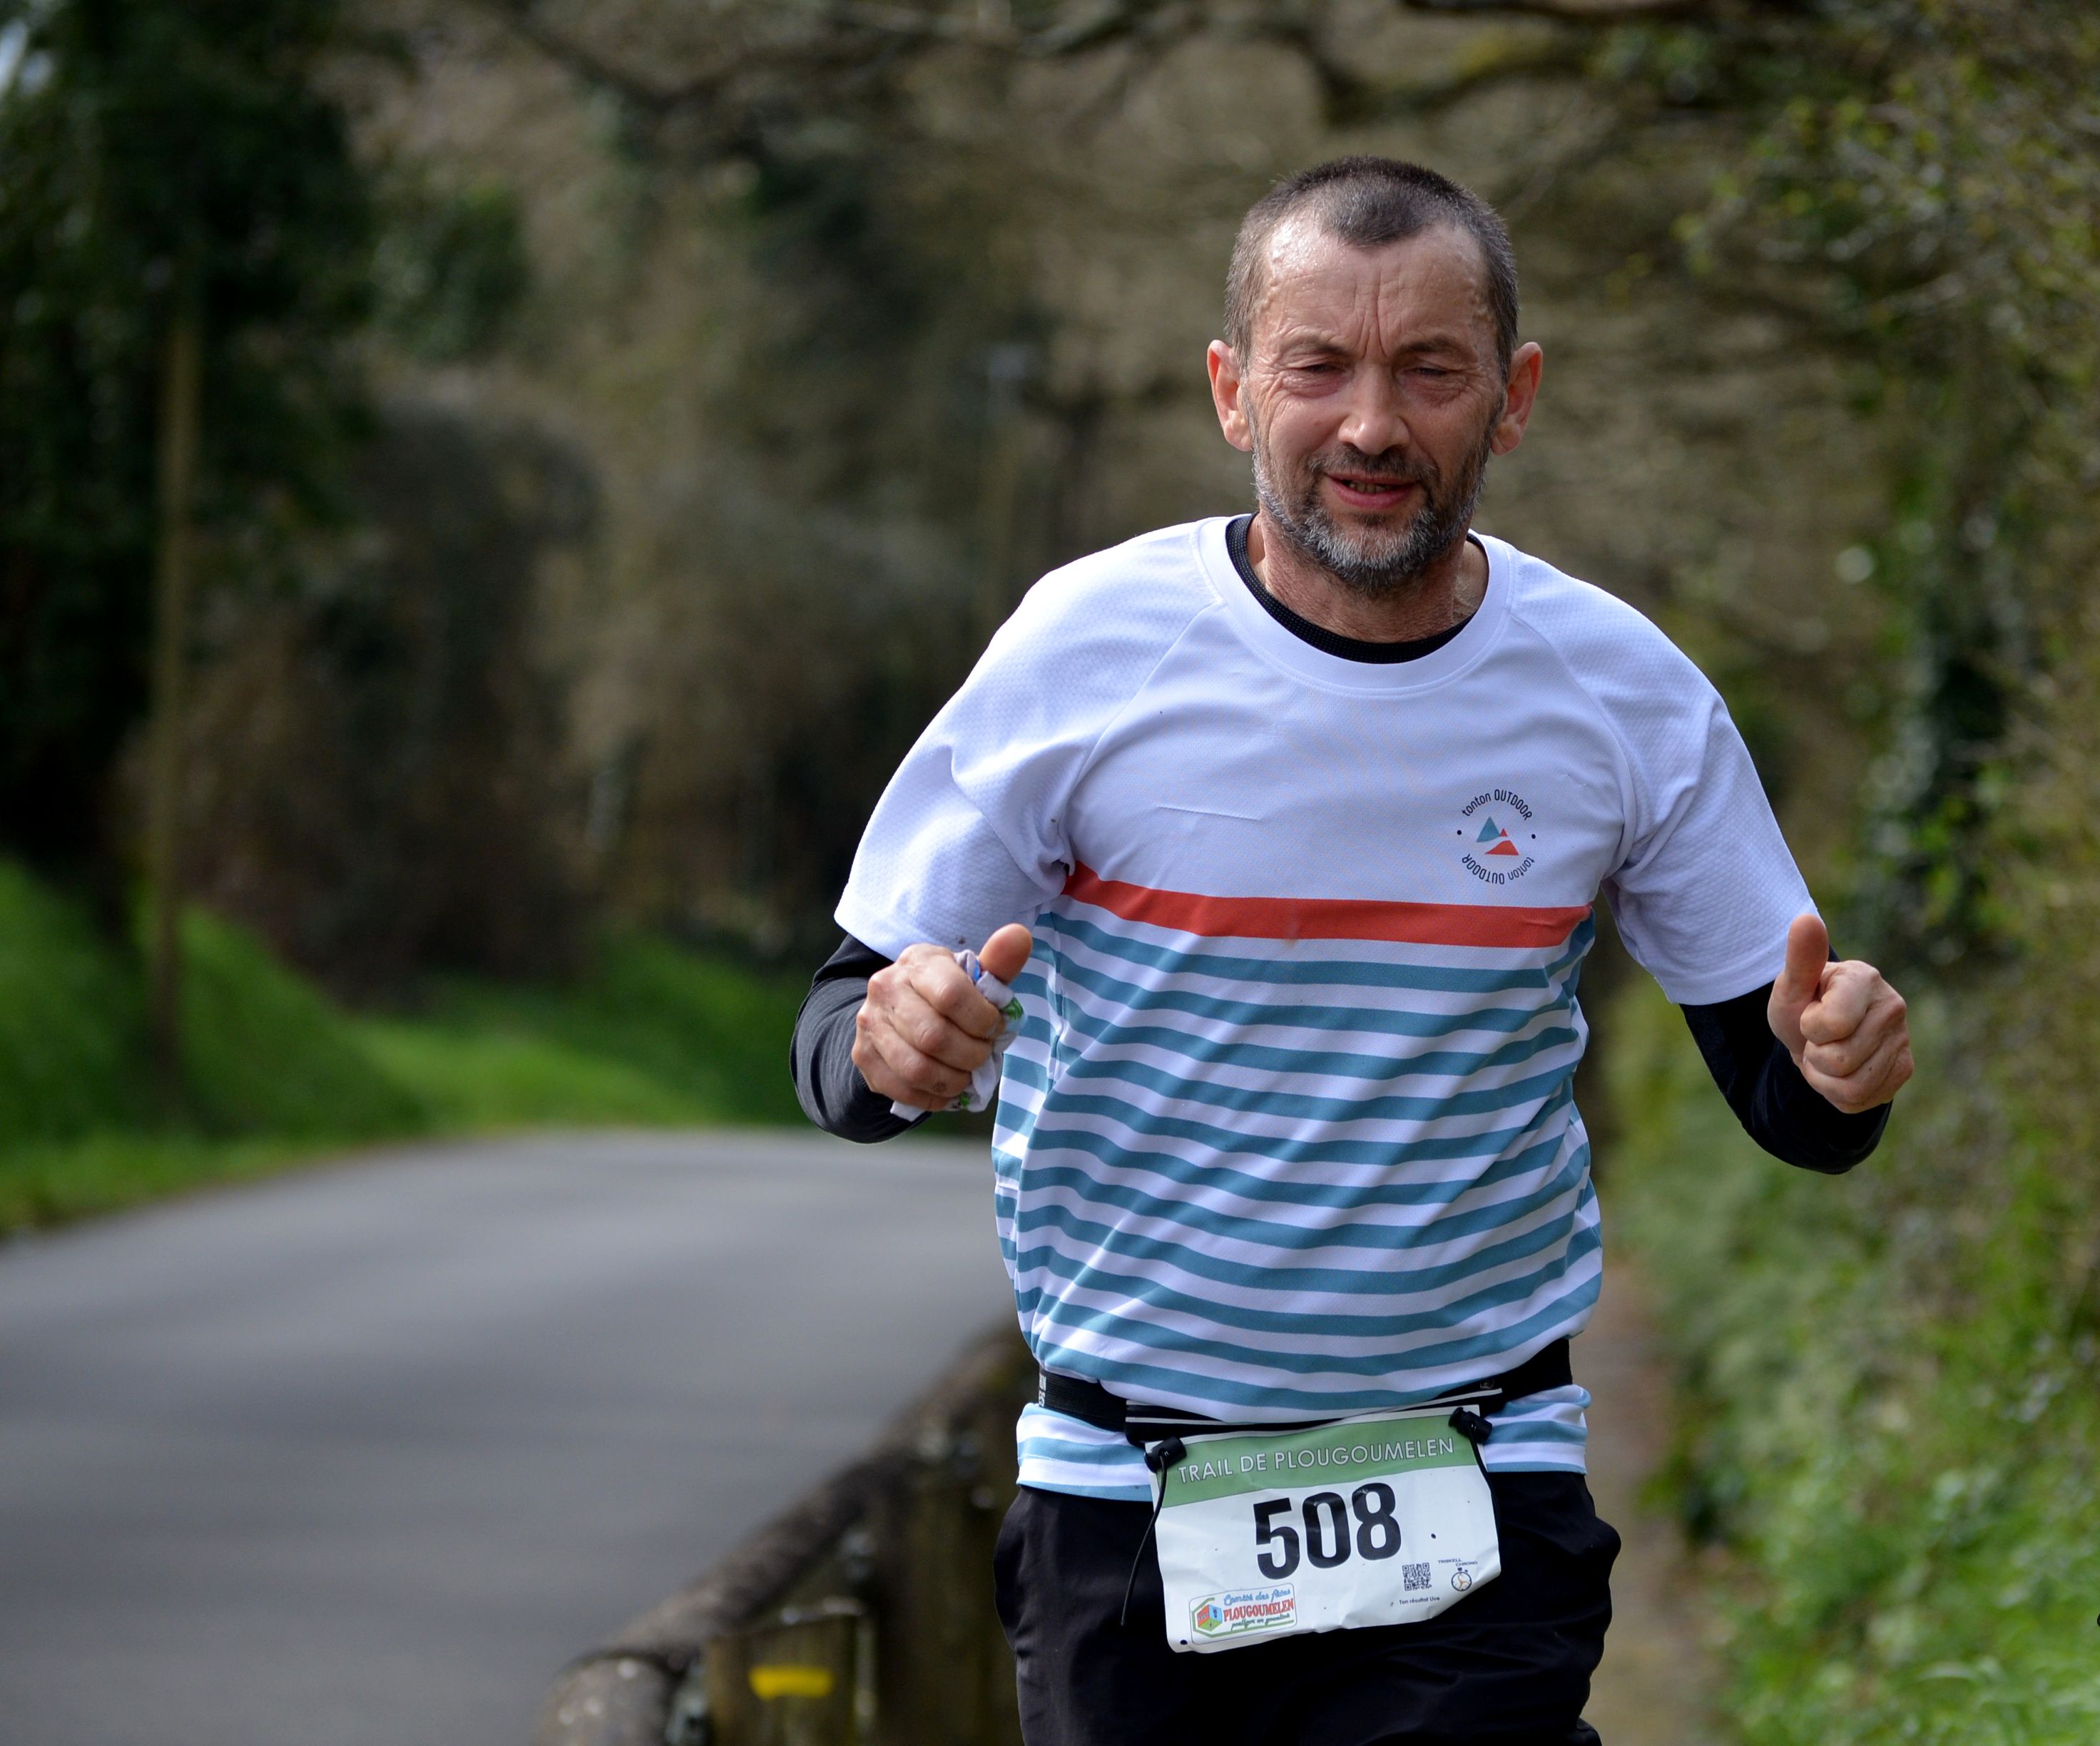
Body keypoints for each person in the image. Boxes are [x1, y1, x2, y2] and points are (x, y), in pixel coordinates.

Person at [790, 155, 1915, 1746]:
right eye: (1318, 367)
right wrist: (889, 1039)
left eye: (1430, 371)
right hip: (1129, 1492)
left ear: (1513, 397)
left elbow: (1793, 1099)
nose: (1372, 425)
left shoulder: (1623, 690)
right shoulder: (1082, 648)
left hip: (1477, 1481)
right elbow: (838, 1050)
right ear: (1232, 391)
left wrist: (1843, 1069)